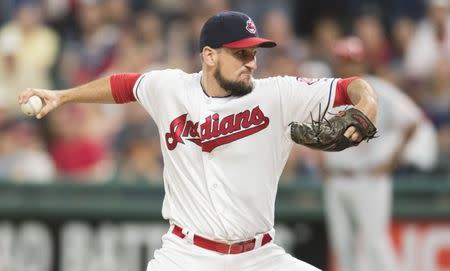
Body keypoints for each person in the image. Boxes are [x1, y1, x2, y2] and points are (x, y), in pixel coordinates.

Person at [19, 11, 378, 271]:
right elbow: (122, 85)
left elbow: (351, 87)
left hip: (260, 256)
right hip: (186, 256)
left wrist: (369, 105)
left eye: (253, 53)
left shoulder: (277, 94)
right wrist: (63, 96)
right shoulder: (171, 88)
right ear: (209, 55)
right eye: (240, 53)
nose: (251, 62)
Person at [322, 37, 437, 271]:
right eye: (344, 62)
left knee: (375, 244)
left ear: (362, 63)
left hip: (370, 178)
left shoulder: (378, 91)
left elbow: (413, 121)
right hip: (336, 178)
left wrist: (392, 161)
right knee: (342, 247)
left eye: (353, 62)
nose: (349, 67)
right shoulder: (327, 92)